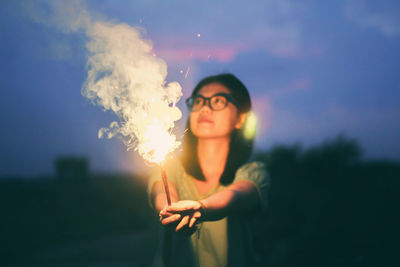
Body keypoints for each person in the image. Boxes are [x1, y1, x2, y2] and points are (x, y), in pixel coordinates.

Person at [148, 73, 270, 267]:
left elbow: (236, 196)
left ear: (240, 119)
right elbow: (163, 193)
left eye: (218, 101)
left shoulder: (253, 172)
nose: (205, 107)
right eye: (198, 101)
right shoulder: (171, 168)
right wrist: (170, 211)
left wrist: (202, 208)